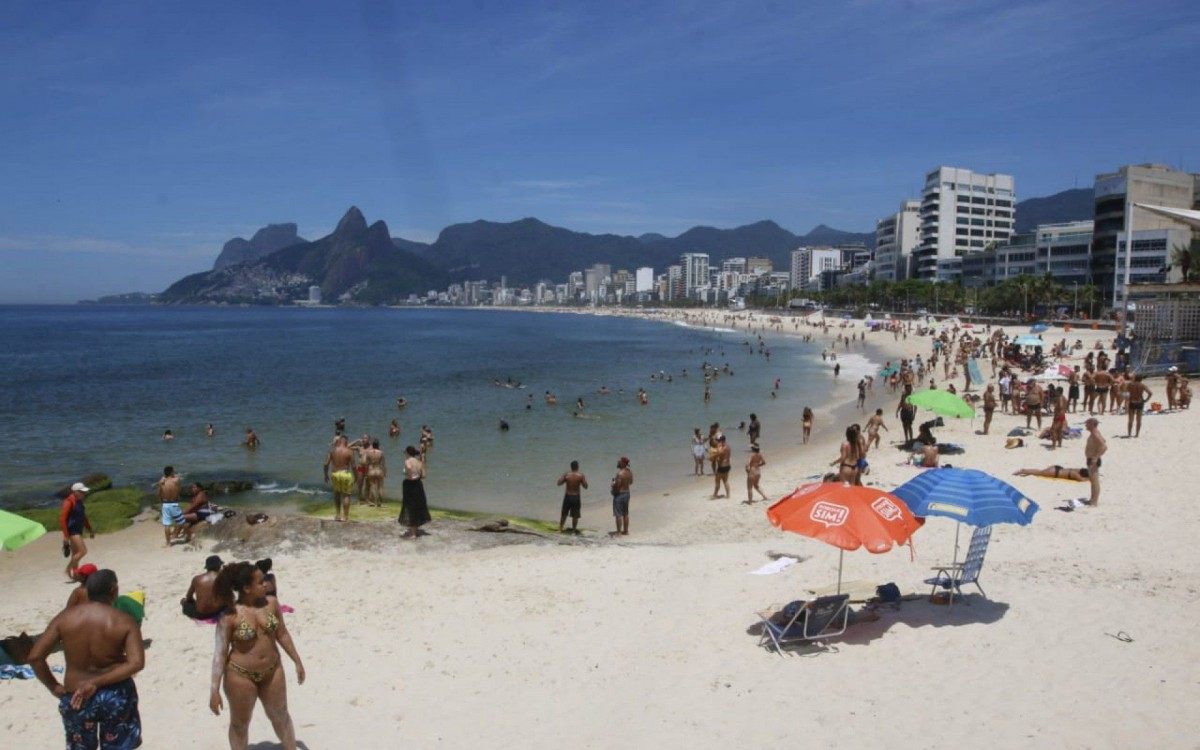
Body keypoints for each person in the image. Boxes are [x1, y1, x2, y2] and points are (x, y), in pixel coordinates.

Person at [28, 569, 145, 750]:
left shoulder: (64, 618)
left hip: (75, 695)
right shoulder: (124, 620)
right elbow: (136, 663)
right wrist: (95, 682)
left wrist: (54, 687)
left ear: (87, 591)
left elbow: (35, 657)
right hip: (115, 694)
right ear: (113, 590)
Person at [210, 561, 304, 750]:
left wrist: (297, 661)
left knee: (281, 716)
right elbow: (220, 653)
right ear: (247, 588)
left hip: (273, 671)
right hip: (240, 676)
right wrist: (214, 690)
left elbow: (282, 633)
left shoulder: (272, 603)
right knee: (240, 724)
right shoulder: (229, 616)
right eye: (260, 582)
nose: (266, 584)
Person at [59, 482, 94, 581]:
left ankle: (75, 574)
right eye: (82, 492)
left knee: (75, 554)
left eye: (84, 492)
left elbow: (83, 517)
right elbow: (62, 519)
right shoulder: (69, 502)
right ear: (75, 492)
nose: (84, 494)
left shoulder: (79, 501)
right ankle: (67, 569)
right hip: (72, 530)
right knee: (83, 551)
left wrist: (90, 529)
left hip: (78, 530)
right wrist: (66, 536)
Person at [182, 555, 230, 620]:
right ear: (219, 566)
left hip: (202, 615)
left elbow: (189, 597)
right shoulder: (224, 578)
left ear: (207, 568)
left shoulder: (196, 579)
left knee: (183, 601)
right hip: (219, 611)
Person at [399, 445, 430, 539]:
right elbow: (423, 475)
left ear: (408, 453)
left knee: (410, 506)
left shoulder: (407, 461)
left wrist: (409, 474)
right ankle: (415, 530)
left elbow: (409, 468)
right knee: (416, 506)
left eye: (405, 452)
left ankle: (413, 533)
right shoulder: (418, 461)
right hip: (418, 484)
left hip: (410, 484)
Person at [323, 435, 356, 522]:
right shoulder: (349, 451)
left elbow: (326, 464)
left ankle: (338, 515)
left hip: (335, 474)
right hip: (345, 474)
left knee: (337, 494)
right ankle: (345, 516)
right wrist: (356, 477)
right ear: (346, 441)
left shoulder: (332, 450)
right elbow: (354, 466)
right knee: (346, 495)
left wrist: (325, 475)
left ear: (339, 441)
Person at [156, 465, 185, 546]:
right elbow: (179, 489)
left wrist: (161, 481)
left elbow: (158, 494)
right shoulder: (176, 479)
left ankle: (168, 543)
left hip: (165, 504)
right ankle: (184, 536)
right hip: (174, 503)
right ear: (171, 472)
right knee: (182, 521)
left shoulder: (161, 482)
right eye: (173, 471)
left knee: (167, 525)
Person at [556, 460, 588, 533]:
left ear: (571, 467)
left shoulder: (567, 475)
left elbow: (558, 483)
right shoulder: (581, 475)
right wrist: (583, 480)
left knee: (564, 513)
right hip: (576, 497)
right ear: (577, 467)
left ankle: (560, 529)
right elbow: (585, 486)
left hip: (568, 496)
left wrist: (563, 476)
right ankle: (574, 530)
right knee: (575, 515)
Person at [1084, 418, 1107, 506]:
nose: (1086, 425)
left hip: (1093, 460)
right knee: (1093, 481)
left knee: (1095, 481)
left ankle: (1094, 502)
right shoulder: (1095, 432)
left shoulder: (1095, 433)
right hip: (1091, 459)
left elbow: (1104, 446)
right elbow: (1103, 440)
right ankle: (1092, 499)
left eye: (1087, 424)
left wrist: (1096, 457)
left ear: (1092, 424)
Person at [610, 457, 633, 536]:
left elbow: (617, 485)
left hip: (620, 494)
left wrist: (613, 484)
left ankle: (619, 532)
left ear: (623, 463)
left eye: (619, 461)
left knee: (618, 514)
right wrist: (616, 481)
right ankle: (626, 531)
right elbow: (631, 482)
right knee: (625, 513)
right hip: (627, 493)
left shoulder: (619, 474)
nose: (618, 462)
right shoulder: (629, 472)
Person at [362, 439, 386, 508]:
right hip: (379, 470)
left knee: (372, 486)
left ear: (372, 445)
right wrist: (385, 472)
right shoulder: (381, 452)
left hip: (371, 470)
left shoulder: (368, 453)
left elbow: (366, 464)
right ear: (378, 445)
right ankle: (380, 502)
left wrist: (366, 473)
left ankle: (374, 502)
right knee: (380, 487)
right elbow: (383, 464)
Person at [1126, 373, 1152, 438]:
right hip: (1140, 402)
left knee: (1130, 420)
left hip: (1132, 402)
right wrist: (1146, 400)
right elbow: (1150, 393)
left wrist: (1127, 399)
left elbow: (1126, 394)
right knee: (1139, 419)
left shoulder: (1130, 385)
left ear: (1135, 378)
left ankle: (1129, 434)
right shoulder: (1142, 385)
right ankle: (1137, 434)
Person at [1013, 465, 1091, 481]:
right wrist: (1089, 478)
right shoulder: (1075, 474)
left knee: (1040, 471)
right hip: (1054, 472)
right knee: (1039, 473)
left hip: (1057, 468)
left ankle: (1025, 471)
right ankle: (1024, 471)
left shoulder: (1078, 470)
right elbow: (1081, 480)